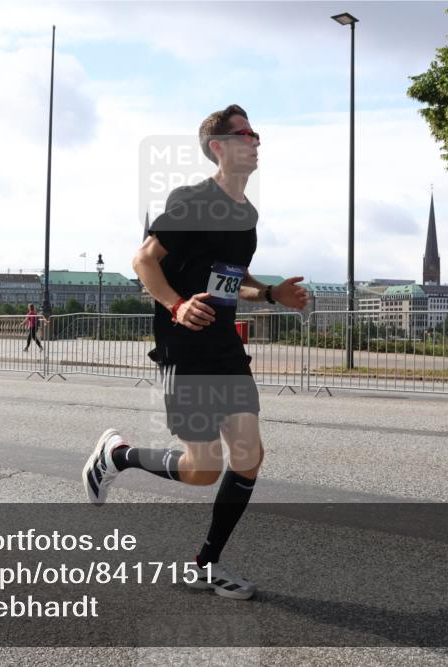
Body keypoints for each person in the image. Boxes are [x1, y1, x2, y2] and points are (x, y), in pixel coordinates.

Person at [82, 104, 307, 600]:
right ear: (218, 147)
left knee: (249, 457)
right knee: (203, 470)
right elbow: (143, 259)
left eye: (256, 131)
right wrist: (177, 305)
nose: (256, 140)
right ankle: (117, 456)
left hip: (225, 345)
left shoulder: (245, 213)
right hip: (184, 347)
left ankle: (206, 564)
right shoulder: (192, 200)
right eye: (245, 133)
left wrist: (270, 294)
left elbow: (231, 278)